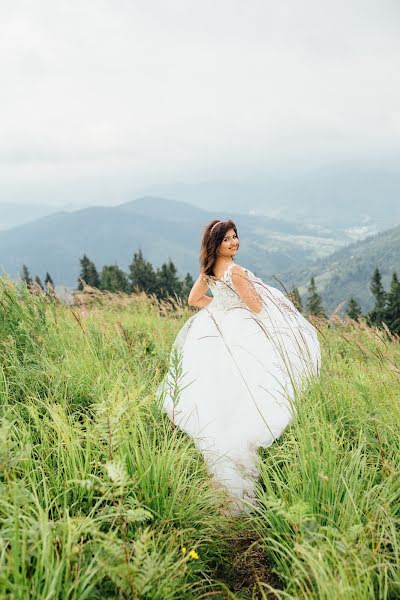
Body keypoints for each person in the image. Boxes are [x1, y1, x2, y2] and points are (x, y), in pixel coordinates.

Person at [156, 219, 321, 516]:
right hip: (242, 331)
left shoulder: (209, 271)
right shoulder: (236, 271)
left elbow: (194, 299)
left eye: (235, 237)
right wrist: (239, 310)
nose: (234, 242)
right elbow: (257, 307)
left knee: (221, 384)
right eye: (227, 239)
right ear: (216, 244)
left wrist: (220, 308)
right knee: (252, 383)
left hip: (217, 329)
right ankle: (243, 446)